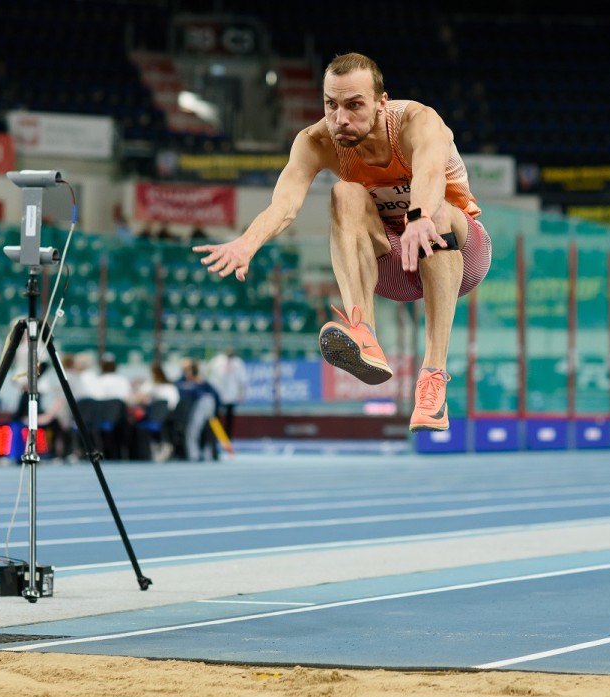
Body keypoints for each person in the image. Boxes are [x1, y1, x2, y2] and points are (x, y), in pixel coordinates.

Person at [193, 52, 491, 432]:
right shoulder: (316, 140)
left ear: (382, 102)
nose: (340, 119)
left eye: (354, 105)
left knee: (442, 214)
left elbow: (431, 173)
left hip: (459, 253)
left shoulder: (418, 121)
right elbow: (283, 205)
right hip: (393, 263)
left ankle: (433, 378)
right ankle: (363, 334)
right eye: (330, 105)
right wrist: (248, 243)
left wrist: (419, 217)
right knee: (344, 193)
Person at [207, 348, 248, 439]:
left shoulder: (238, 363)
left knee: (229, 417)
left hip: (231, 394)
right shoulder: (217, 361)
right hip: (218, 392)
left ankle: (227, 436)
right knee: (215, 416)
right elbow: (209, 375)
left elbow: (242, 379)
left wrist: (241, 393)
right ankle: (214, 435)